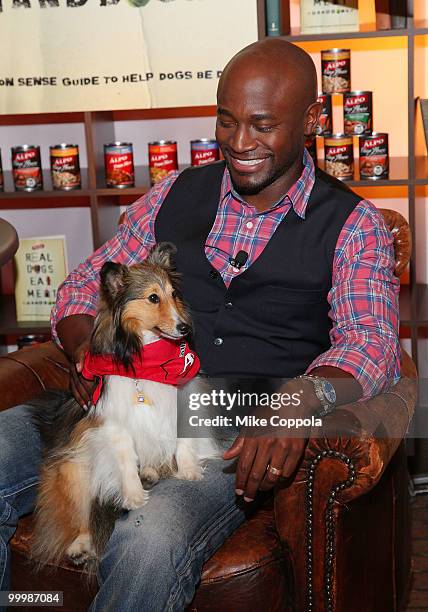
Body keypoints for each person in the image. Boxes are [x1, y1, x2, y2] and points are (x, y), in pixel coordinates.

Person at [0, 39, 400, 611]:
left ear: (312, 120)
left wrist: (301, 398)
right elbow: (87, 281)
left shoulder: (353, 226)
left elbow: (374, 343)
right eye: (227, 120)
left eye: (262, 125)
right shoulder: (177, 192)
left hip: (225, 434)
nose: (240, 143)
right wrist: (92, 349)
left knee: (149, 537)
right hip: (120, 406)